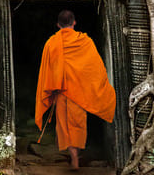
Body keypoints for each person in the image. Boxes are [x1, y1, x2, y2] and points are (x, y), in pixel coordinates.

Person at [35, 9, 116, 169]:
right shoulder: (85, 42)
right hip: (79, 93)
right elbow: (94, 68)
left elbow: (47, 70)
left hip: (61, 92)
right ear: (74, 23)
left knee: (64, 126)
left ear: (58, 25)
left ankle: (73, 157)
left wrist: (52, 88)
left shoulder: (51, 43)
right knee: (78, 125)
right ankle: (76, 157)